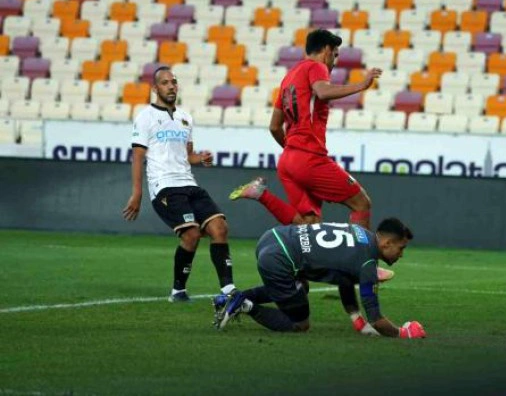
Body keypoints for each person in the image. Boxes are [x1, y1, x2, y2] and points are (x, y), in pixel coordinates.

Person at [229, 28, 394, 280]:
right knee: (361, 203)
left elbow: (274, 126)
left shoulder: (288, 79)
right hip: (309, 157)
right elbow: (323, 92)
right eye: (335, 55)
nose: (334, 62)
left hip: (288, 160)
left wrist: (292, 152)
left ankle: (261, 194)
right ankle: (364, 266)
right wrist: (362, 85)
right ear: (326, 50)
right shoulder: (316, 67)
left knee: (308, 224)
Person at [122, 66, 238, 302]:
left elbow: (187, 156)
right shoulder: (145, 117)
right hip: (164, 187)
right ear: (155, 88)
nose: (171, 86)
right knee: (191, 234)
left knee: (220, 228)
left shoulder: (186, 118)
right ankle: (178, 290)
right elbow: (138, 157)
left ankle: (228, 289)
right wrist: (137, 193)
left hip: (189, 184)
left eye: (173, 82)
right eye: (165, 83)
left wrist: (201, 158)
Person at [213, 218, 426, 340]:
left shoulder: (361, 232)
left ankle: (231, 299)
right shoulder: (368, 265)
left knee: (300, 287)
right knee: (300, 324)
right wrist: (404, 332)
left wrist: (357, 321)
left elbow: (345, 280)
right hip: (280, 259)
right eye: (401, 248)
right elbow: (377, 320)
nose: (401, 254)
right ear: (387, 243)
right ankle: (245, 305)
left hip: (273, 237)